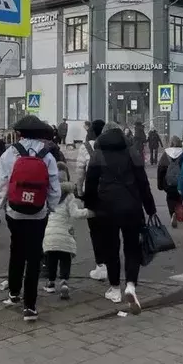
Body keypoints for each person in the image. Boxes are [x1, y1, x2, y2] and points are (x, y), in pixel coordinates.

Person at [83, 121, 156, 314]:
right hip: (132, 206)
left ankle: (115, 289)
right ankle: (131, 285)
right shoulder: (132, 152)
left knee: (111, 247)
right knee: (132, 247)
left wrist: (89, 205)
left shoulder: (98, 154)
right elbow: (143, 182)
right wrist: (150, 208)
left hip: (106, 207)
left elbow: (90, 183)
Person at [0, 115, 61, 322]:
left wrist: (3, 205)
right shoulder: (47, 156)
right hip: (38, 212)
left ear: (20, 133)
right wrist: (49, 206)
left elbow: (1, 183)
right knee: (34, 256)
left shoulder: (9, 154)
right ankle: (30, 306)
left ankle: (13, 293)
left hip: (15, 212)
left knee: (16, 250)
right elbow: (54, 187)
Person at [42, 161, 92, 299]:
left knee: (51, 260)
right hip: (65, 236)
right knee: (65, 259)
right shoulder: (70, 197)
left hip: (50, 236)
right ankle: (64, 282)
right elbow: (76, 213)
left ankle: (51, 283)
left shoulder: (48, 195)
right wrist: (91, 212)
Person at [78, 119, 108, 281]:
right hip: (109, 194)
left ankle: (100, 264)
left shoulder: (85, 147)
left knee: (95, 230)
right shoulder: (109, 146)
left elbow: (80, 172)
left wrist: (78, 190)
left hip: (91, 194)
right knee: (109, 229)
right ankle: (110, 262)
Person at [156, 136, 183, 227]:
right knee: (179, 198)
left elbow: (160, 169)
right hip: (180, 182)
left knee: (170, 198)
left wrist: (160, 184)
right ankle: (178, 213)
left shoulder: (166, 153)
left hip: (168, 182)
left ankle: (172, 213)